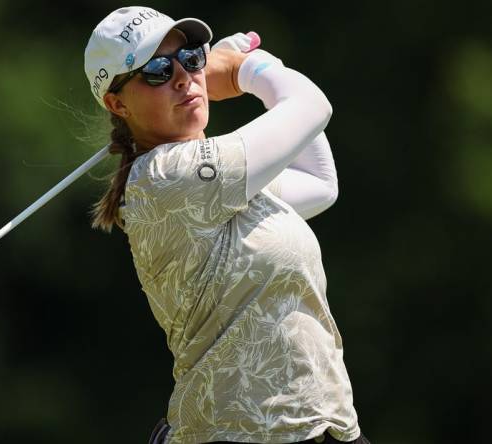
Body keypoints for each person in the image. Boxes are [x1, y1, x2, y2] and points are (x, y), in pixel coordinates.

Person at [84, 6, 369, 444]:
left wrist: (263, 71)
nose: (183, 77)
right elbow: (312, 106)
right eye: (158, 70)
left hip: (324, 428)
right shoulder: (167, 177)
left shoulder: (220, 183)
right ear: (117, 103)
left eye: (192, 58)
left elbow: (319, 183)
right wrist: (246, 70)